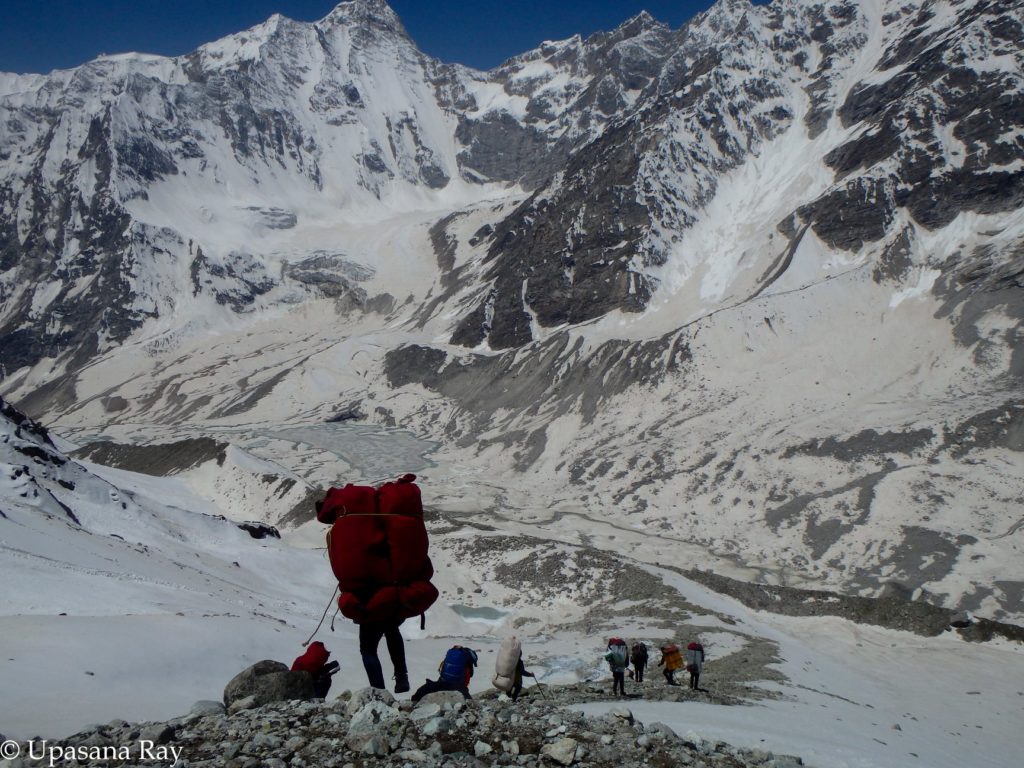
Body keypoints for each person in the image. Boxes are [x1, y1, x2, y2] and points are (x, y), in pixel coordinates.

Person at [411, 645, 478, 702]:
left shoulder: (431, 687)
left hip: (441, 683)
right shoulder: (462, 692)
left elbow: (414, 698)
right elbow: (467, 679)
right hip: (458, 686)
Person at [359, 621, 409, 694]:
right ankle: (402, 677)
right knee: (392, 628)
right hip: (393, 611)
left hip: (370, 615)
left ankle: (380, 692)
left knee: (368, 650)